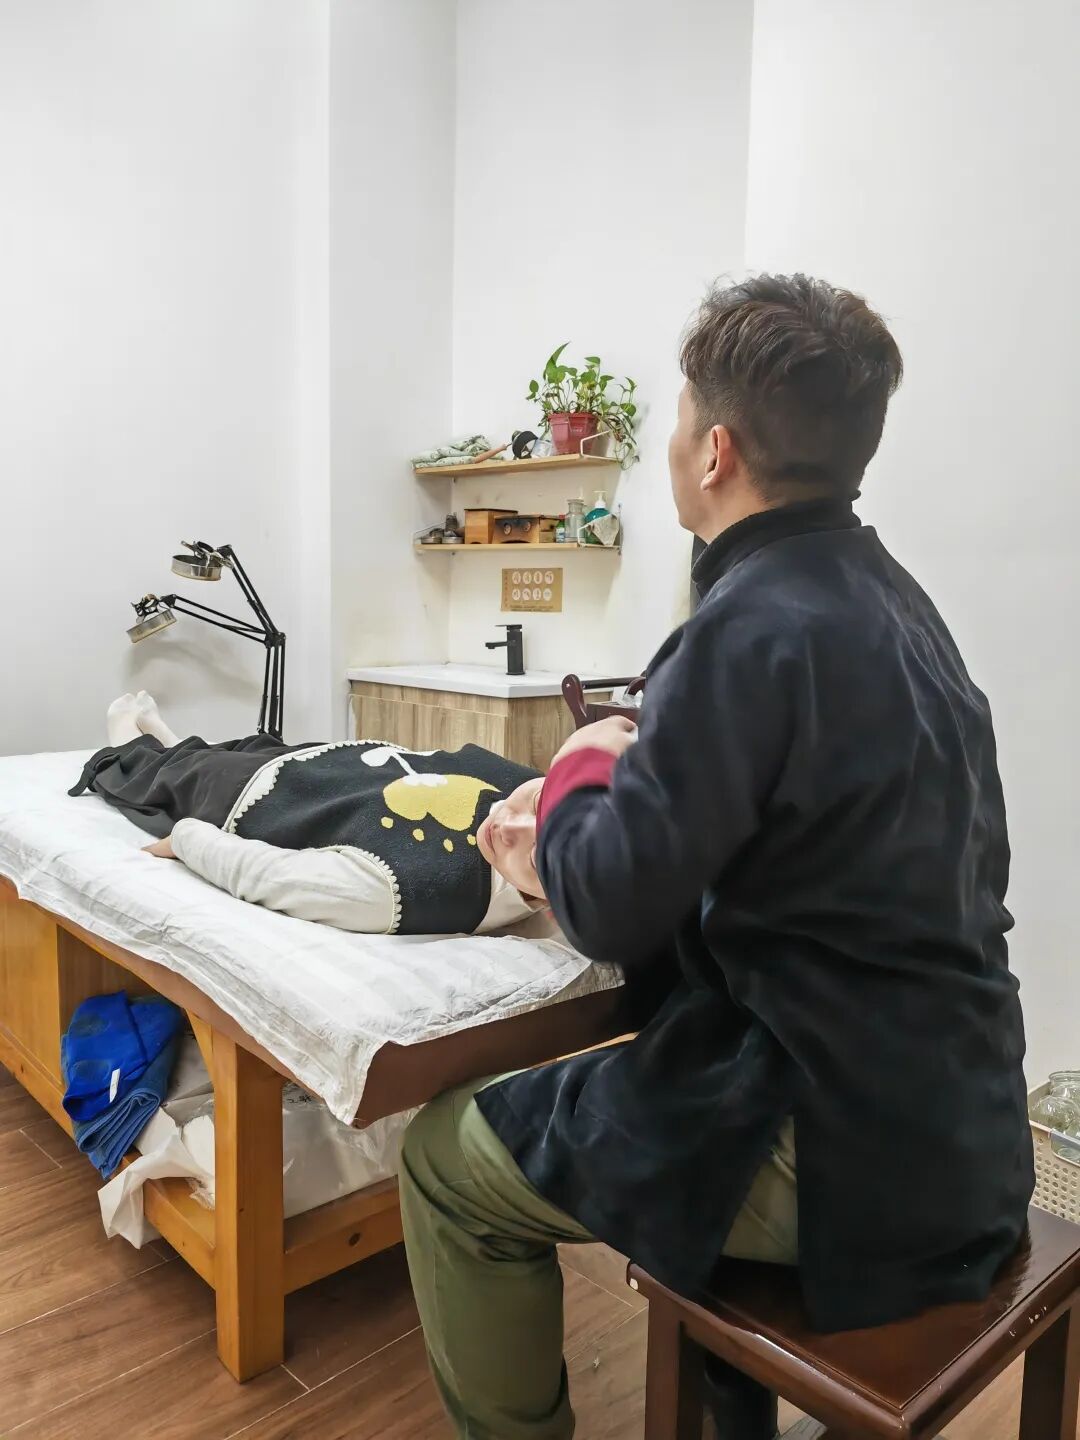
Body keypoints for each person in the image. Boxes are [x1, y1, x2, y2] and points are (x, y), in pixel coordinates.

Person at [397, 274, 1034, 1440]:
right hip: (973, 1119)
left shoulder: (744, 628)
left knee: (444, 1159)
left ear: (717, 452)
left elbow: (608, 908)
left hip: (843, 1152)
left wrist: (576, 776)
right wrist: (632, 761)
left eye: (682, 417)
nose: (674, 442)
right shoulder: (899, 610)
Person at [69, 692, 547, 935]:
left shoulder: (408, 889)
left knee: (162, 776)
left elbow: (266, 873)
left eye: (535, 856)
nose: (507, 824)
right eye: (537, 803)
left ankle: (137, 743)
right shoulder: (545, 789)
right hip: (329, 766)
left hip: (255, 797)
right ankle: (174, 743)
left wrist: (185, 839)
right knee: (246, 746)